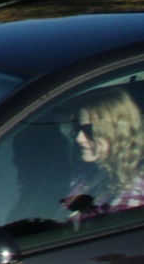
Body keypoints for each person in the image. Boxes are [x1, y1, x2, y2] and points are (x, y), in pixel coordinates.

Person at [62, 88, 144, 221]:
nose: (79, 138)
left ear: (117, 133)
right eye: (78, 128)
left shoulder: (130, 199)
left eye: (90, 130)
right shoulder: (85, 170)